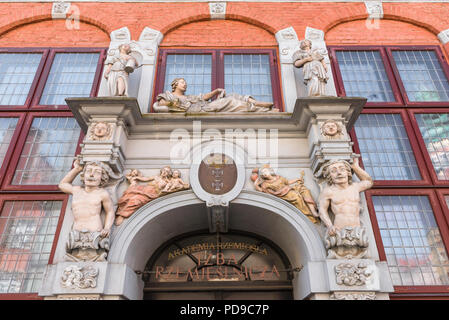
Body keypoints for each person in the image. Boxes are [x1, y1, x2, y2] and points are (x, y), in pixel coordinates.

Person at [58, 160, 116, 261]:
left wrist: (107, 228)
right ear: (84, 175)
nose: (92, 175)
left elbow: (110, 211)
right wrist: (76, 169)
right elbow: (62, 185)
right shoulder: (76, 190)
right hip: (76, 232)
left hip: (94, 232)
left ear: (102, 177)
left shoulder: (102, 193)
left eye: (97, 172)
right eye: (89, 171)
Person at [153, 78, 279, 113]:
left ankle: (254, 103)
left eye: (185, 83)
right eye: (182, 82)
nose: (184, 84)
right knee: (228, 101)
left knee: (231, 95)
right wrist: (180, 104)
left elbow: (203, 98)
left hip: (204, 106)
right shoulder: (168, 95)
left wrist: (216, 91)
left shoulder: (189, 97)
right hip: (199, 109)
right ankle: (258, 108)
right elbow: (160, 105)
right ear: (175, 84)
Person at [318, 158, 373, 236]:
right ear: (330, 176)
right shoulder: (328, 191)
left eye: (342, 169)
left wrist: (356, 167)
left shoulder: (355, 187)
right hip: (339, 229)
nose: (339, 173)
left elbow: (369, 182)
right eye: (333, 171)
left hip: (357, 230)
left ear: (348, 172)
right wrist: (330, 226)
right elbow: (322, 210)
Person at [252, 165, 320, 224]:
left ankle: (313, 211)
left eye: (265, 171)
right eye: (262, 173)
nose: (264, 174)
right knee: (297, 197)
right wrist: (256, 185)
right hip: (281, 195)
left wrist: (297, 179)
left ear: (270, 171)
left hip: (288, 189)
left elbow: (287, 182)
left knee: (304, 189)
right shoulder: (265, 184)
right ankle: (307, 214)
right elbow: (266, 192)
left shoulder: (278, 177)